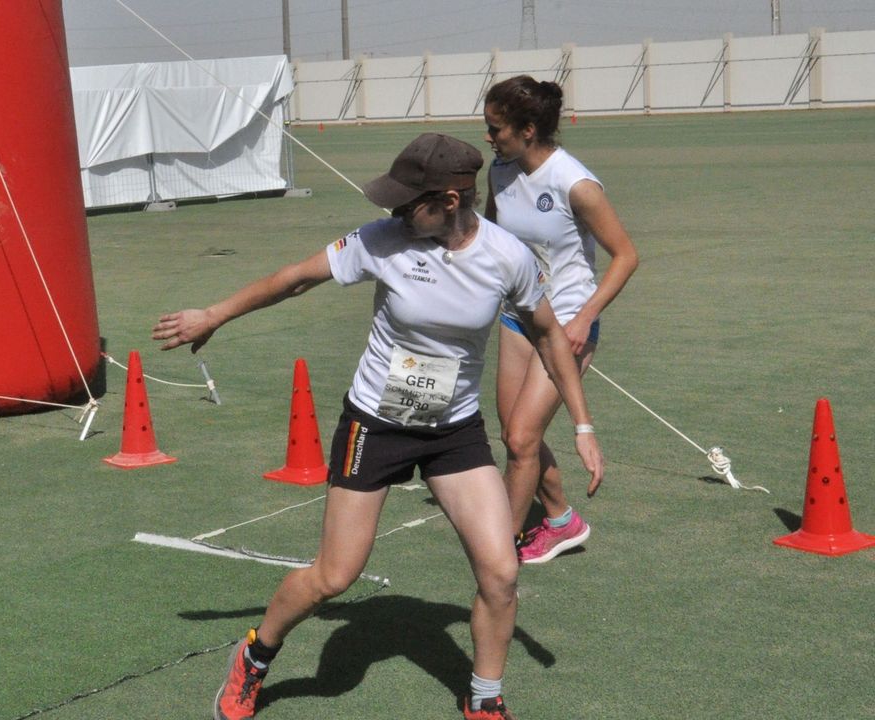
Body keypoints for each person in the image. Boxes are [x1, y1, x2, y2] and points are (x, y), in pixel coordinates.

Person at [154, 133, 604, 720]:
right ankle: (255, 655)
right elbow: (295, 278)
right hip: (377, 424)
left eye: (405, 202)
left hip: (453, 432)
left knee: (500, 573)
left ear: (448, 199)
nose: (391, 212)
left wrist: (583, 425)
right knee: (334, 577)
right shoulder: (382, 241)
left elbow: (548, 333)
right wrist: (212, 314)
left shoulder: (506, 256)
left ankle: (485, 698)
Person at [483, 76, 639, 564]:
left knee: (523, 438)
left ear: (528, 129)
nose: (489, 137)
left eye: (496, 128)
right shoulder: (500, 171)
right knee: (515, 433)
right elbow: (491, 236)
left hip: (567, 321)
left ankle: (500, 550)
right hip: (516, 319)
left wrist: (584, 318)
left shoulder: (576, 184)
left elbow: (626, 257)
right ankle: (560, 520)